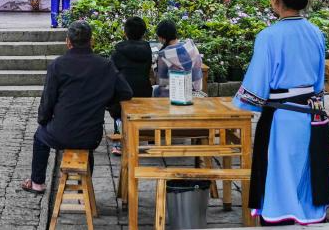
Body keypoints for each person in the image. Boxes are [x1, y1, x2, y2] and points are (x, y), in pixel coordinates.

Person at [233, 0, 329, 226]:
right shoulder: (316, 33)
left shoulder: (268, 37)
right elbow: (318, 82)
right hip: (312, 117)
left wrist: (240, 105)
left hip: (280, 119)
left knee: (278, 175)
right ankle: (309, 218)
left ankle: (279, 219)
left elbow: (256, 87)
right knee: (308, 172)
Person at [20, 21, 133, 194]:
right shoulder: (105, 65)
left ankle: (37, 182)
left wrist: (43, 120)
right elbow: (126, 92)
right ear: (91, 41)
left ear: (68, 42)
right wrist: (105, 101)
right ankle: (84, 191)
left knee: (40, 136)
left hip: (61, 133)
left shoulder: (58, 65)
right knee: (86, 148)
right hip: (91, 135)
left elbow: (48, 101)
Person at [108, 16, 154, 156]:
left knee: (116, 105)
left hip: (122, 96)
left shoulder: (118, 52)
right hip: (144, 93)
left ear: (125, 32)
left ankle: (118, 141)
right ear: (143, 33)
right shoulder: (147, 50)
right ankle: (147, 136)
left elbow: (112, 74)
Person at [152, 19, 205, 98]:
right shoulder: (192, 47)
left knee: (153, 89)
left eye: (158, 36)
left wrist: (154, 67)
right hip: (195, 93)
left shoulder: (163, 55)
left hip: (174, 96)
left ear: (163, 38)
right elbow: (197, 74)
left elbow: (162, 83)